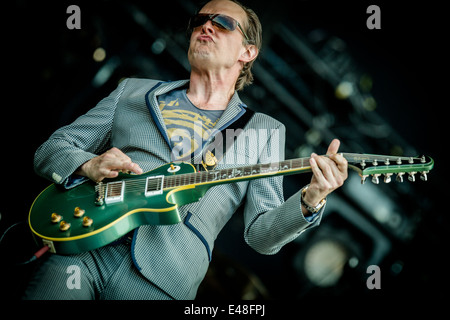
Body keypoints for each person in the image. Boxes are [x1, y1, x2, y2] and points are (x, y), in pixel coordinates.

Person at [24, 0, 348, 300]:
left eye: (222, 22)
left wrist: (310, 199)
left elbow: (261, 237)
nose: (206, 27)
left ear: (248, 51)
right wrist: (89, 164)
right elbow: (52, 149)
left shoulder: (263, 130)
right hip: (84, 245)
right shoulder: (133, 90)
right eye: (200, 21)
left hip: (163, 280)